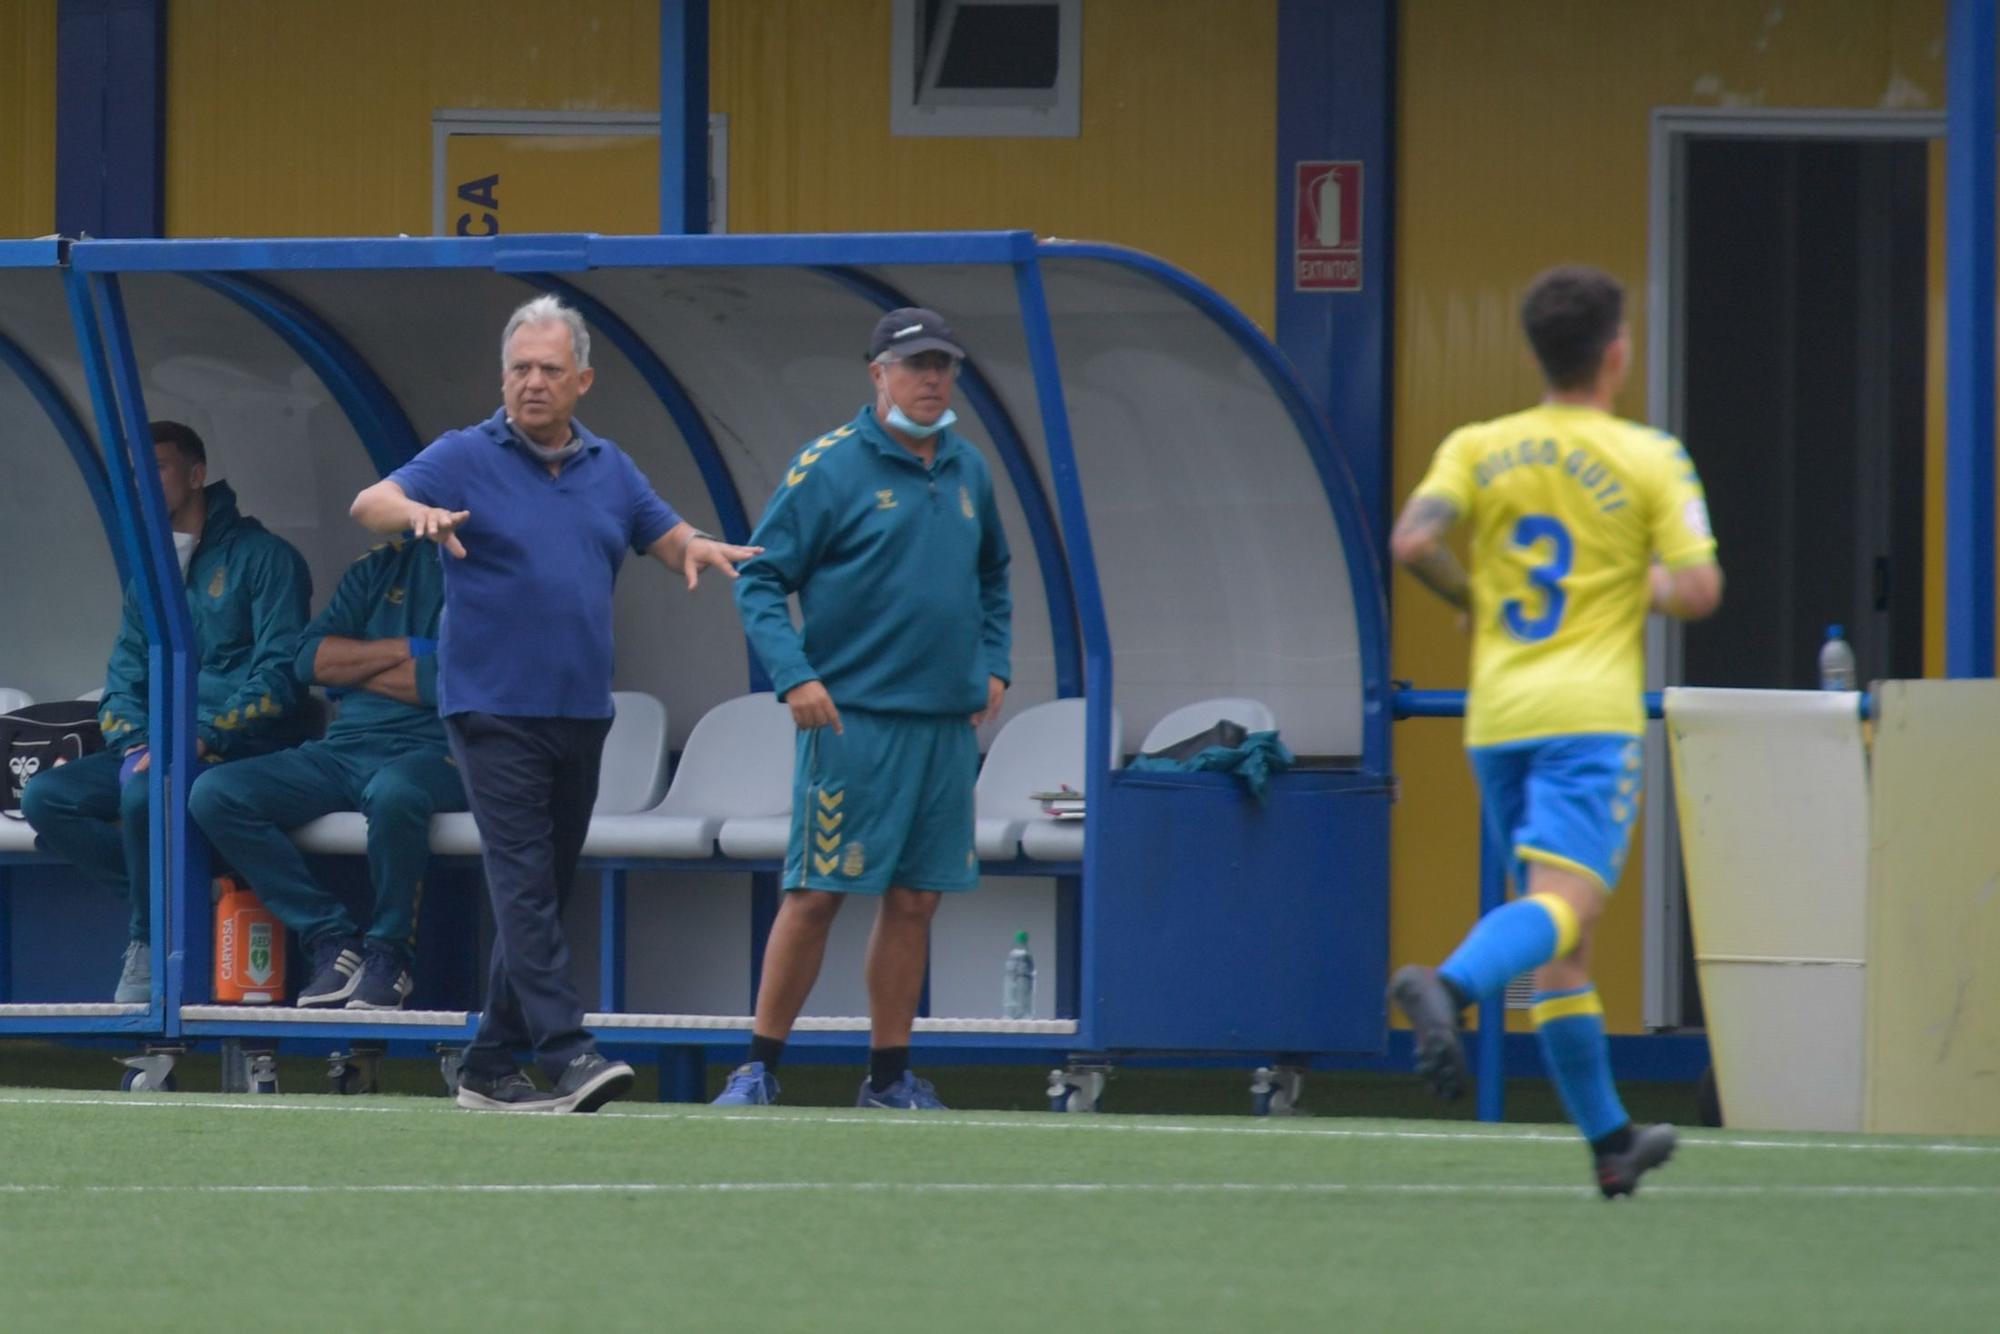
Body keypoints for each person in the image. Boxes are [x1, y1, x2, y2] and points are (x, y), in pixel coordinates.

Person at [349, 295, 758, 1114]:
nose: (532, 384)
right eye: (519, 370)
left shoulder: (611, 466)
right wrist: (417, 513)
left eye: (548, 370)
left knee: (542, 886)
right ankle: (570, 1053)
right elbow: (370, 504)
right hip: (492, 707)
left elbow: (661, 531)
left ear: (582, 381)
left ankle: (488, 1066)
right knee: (525, 886)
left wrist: (697, 546)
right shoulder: (465, 454)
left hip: (580, 710)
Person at [1386, 265, 1724, 1198]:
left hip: (1499, 718)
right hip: (1586, 720)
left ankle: (1610, 1144)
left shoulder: (1479, 445)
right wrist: (1630, 584)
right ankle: (1445, 987)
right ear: (1616, 353)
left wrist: (1475, 599)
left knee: (1557, 942)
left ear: (1538, 352)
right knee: (1571, 906)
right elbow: (1697, 590)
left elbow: (1415, 541)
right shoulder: (1649, 455)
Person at [714, 307, 1011, 1111]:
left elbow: (995, 577)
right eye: (915, 366)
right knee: (816, 893)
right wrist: (796, 677)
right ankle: (758, 1068)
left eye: (943, 366)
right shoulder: (830, 467)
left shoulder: (969, 468)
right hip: (853, 721)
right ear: (877, 374)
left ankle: (887, 1079)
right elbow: (761, 578)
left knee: (916, 899)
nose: (932, 380)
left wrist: (997, 663)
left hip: (945, 725)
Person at [22, 421, 312, 1003]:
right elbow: (122, 681)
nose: (143, 483)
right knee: (46, 798)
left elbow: (281, 677)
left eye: (157, 468)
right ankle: (186, 899)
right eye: (134, 474)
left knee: (143, 792)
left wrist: (202, 738)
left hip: (237, 751)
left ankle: (149, 939)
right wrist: (132, 742)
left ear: (197, 474)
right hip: (156, 747)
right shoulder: (152, 575)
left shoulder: (267, 557)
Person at [189, 536, 465, 1010]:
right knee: (216, 791)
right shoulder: (380, 564)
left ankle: (390, 955)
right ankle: (330, 938)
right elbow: (310, 660)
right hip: (347, 748)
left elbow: (459, 681)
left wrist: (355, 667)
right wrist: (405, 650)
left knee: (394, 791)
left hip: (445, 750)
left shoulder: (506, 570)